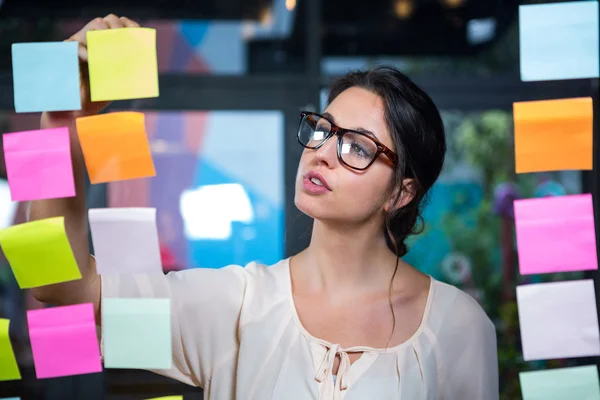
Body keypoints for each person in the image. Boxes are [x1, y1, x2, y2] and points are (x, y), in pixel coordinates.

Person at [31, 15, 499, 400]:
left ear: (402, 193)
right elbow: (59, 286)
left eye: (356, 147)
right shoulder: (236, 306)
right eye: (323, 128)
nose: (322, 151)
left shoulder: (458, 326)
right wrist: (58, 122)